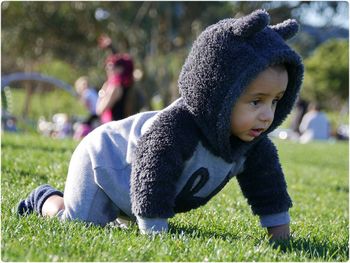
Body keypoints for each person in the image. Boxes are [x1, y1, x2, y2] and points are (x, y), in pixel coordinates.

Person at [17, 10, 304, 241]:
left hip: (131, 194)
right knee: (77, 224)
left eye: (276, 101)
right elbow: (152, 174)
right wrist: (154, 232)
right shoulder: (176, 129)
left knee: (112, 220)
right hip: (103, 164)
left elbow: (269, 189)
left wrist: (281, 237)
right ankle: (44, 198)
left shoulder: (254, 145)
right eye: (256, 101)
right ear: (218, 91)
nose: (267, 115)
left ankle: (126, 214)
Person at [97, 36, 134, 123]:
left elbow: (100, 110)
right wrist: (111, 47)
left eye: (110, 66)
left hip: (115, 127)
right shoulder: (128, 84)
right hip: (123, 124)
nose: (107, 68)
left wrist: (102, 93)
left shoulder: (115, 87)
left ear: (120, 69)